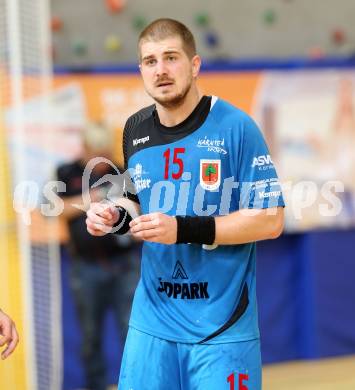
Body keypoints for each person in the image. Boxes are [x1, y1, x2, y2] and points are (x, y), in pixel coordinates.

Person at [86, 18, 285, 390]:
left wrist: (182, 229)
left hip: (221, 327)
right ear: (141, 70)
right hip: (152, 324)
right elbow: (137, 201)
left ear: (194, 65)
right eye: (150, 61)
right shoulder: (134, 129)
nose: (160, 70)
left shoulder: (237, 128)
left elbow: (271, 219)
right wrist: (110, 216)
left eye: (171, 58)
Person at [57, 122, 139, 390]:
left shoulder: (122, 171)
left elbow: (139, 212)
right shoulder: (67, 172)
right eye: (95, 150)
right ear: (85, 147)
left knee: (132, 331)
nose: (100, 155)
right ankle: (95, 385)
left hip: (125, 264)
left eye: (104, 149)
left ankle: (135, 384)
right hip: (86, 267)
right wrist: (92, 197)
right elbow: (55, 208)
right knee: (90, 336)